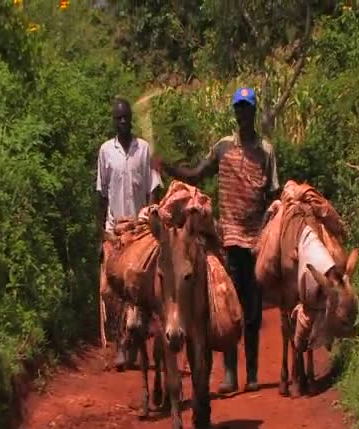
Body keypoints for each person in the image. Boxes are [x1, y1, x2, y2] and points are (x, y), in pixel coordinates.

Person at [153, 87, 280, 393]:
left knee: (253, 309)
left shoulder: (266, 150)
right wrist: (169, 167)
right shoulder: (223, 148)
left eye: (247, 109)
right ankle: (229, 375)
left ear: (253, 111)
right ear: (235, 113)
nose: (243, 114)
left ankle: (251, 374)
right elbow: (197, 173)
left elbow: (273, 193)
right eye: (239, 109)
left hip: (257, 238)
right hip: (230, 237)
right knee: (228, 305)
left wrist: (271, 226)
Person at [95, 97, 163, 371]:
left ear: (131, 120)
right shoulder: (105, 151)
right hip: (115, 231)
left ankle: (131, 343)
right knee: (111, 290)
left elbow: (154, 187)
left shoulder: (143, 150)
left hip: (139, 229)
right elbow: (101, 193)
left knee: (138, 287)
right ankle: (122, 341)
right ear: (114, 121)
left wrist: (152, 221)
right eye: (118, 118)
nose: (123, 122)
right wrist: (101, 234)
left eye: (126, 118)